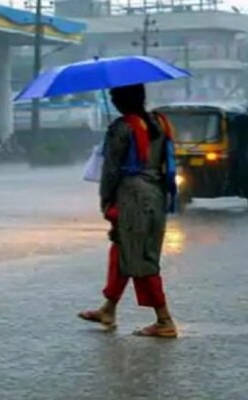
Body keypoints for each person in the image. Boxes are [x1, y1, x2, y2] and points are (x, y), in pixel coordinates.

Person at [78, 84, 179, 338]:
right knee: (124, 250)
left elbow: (111, 170)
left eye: (114, 97)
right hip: (156, 195)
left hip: (132, 198)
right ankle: (108, 309)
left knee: (140, 257)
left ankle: (164, 319)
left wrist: (105, 200)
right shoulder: (160, 123)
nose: (112, 101)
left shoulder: (121, 128)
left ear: (121, 101)